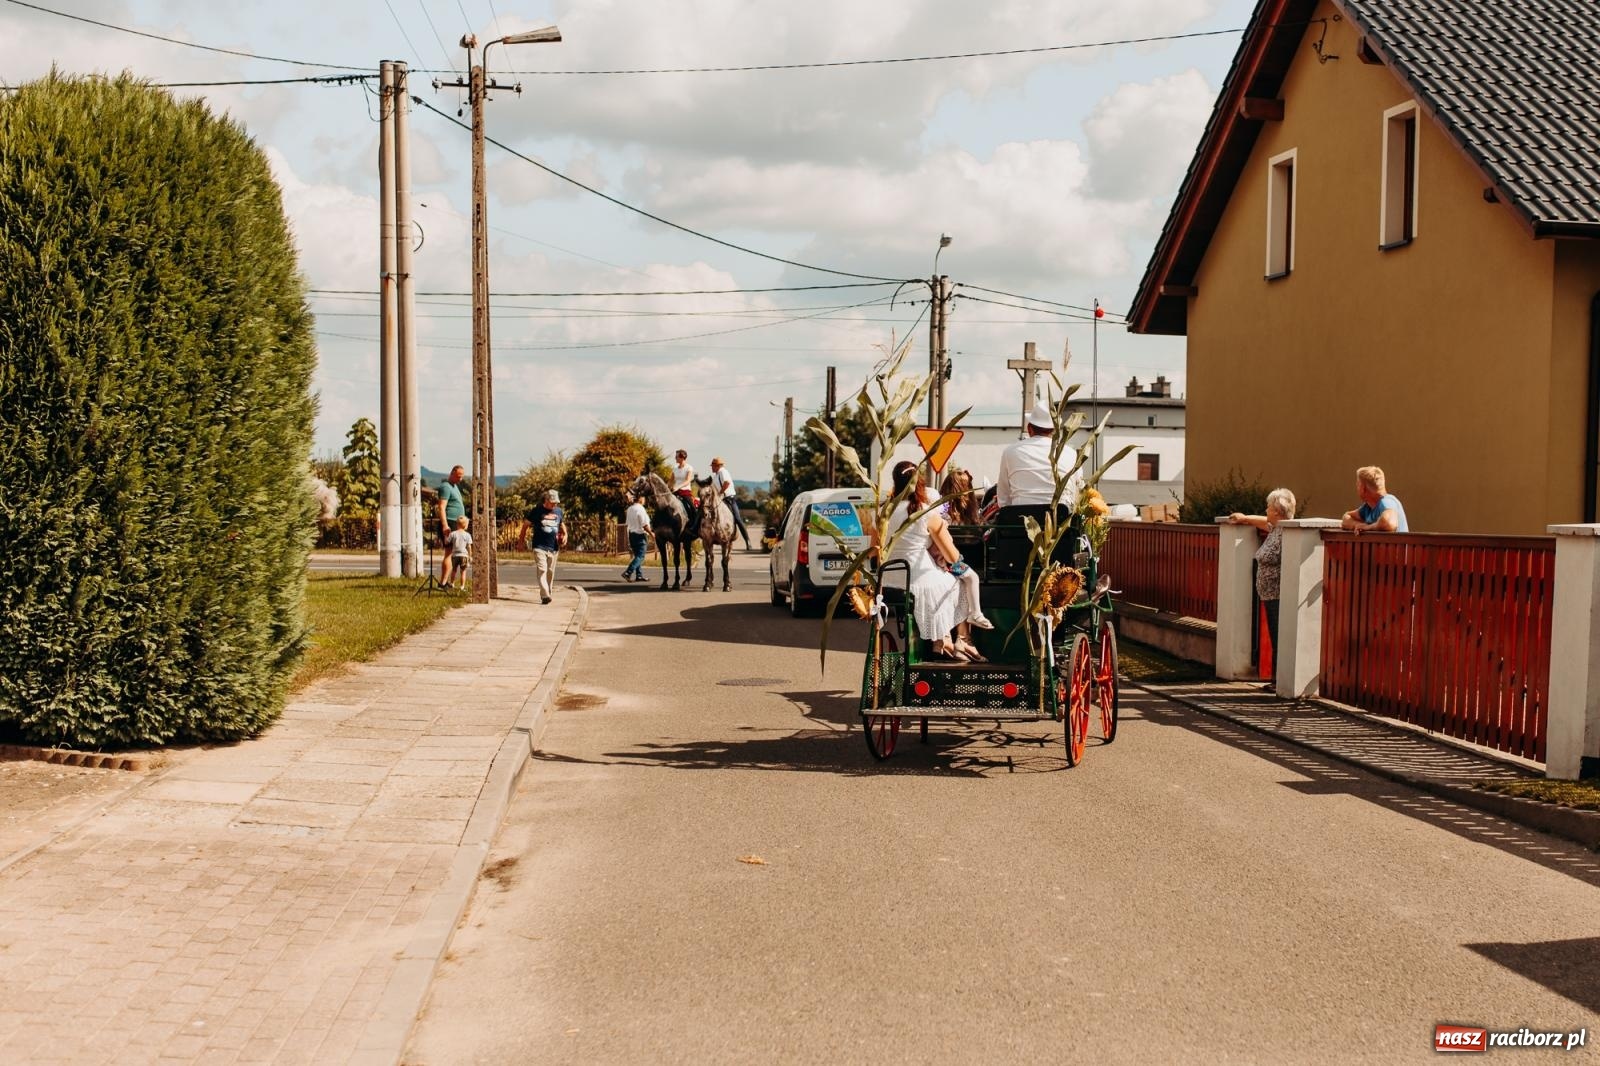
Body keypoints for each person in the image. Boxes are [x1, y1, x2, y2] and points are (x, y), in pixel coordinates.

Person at [877, 460, 992, 661]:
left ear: (896, 483)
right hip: (917, 577)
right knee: (959, 581)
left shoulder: (884, 512)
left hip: (888, 578)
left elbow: (875, 549)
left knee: (949, 580)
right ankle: (959, 640)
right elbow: (951, 556)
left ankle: (945, 640)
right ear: (920, 482)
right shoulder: (926, 512)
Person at [1229, 488, 1297, 691]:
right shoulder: (1276, 527)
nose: (1266, 510)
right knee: (1274, 635)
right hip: (1269, 594)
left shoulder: (1288, 531)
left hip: (1278, 594)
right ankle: (1277, 680)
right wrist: (1244, 518)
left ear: (1277, 511)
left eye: (1268, 507)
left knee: (1279, 637)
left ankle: (1279, 681)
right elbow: (1261, 521)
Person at [996, 401, 1085, 511]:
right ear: (1055, 430)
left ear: (1029, 429)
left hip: (1018, 523)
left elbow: (1003, 499)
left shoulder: (1010, 452)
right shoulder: (1072, 455)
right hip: (1061, 522)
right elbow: (1078, 493)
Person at [1341, 465, 1409, 534]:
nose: (1356, 486)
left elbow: (1389, 523)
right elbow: (1346, 518)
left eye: (1358, 484)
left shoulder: (1387, 502)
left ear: (1363, 488)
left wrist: (1368, 527)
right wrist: (1357, 525)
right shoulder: (1368, 507)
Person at [527, 489, 566, 604]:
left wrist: (565, 536)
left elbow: (562, 525)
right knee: (542, 570)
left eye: (556, 502)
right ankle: (545, 594)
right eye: (553, 502)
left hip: (553, 548)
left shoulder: (559, 511)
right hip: (539, 546)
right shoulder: (537, 511)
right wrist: (520, 540)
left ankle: (547, 594)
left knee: (550, 572)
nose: (555, 504)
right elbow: (525, 525)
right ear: (546, 500)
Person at [709, 457, 751, 550]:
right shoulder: (715, 476)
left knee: (738, 519)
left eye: (713, 466)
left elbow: (727, 483)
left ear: (717, 466)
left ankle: (747, 540)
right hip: (720, 500)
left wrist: (720, 493)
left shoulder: (723, 472)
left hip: (728, 499)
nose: (711, 468)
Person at [436, 464, 467, 586]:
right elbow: (442, 507)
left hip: (456, 523)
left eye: (462, 477)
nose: (460, 479)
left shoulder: (455, 487)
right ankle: (443, 582)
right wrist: (445, 525)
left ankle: (447, 581)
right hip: (450, 522)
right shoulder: (446, 487)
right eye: (458, 476)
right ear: (452, 473)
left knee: (453, 553)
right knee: (448, 553)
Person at [622, 491, 652, 583]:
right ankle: (628, 572)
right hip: (640, 535)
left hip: (632, 535)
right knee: (641, 556)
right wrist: (651, 533)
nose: (645, 500)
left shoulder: (630, 509)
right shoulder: (640, 509)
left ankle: (639, 575)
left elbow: (628, 523)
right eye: (644, 497)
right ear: (640, 499)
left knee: (637, 556)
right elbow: (644, 524)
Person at [671, 449, 700, 537]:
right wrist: (666, 488)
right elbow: (670, 481)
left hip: (685, 492)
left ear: (682, 457)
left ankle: (694, 528)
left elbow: (687, 481)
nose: (675, 458)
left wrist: (678, 487)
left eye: (676, 456)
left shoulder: (689, 468)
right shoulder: (675, 468)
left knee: (692, 508)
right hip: (675, 491)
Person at [444, 516, 473, 591]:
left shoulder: (453, 534)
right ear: (466, 525)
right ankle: (462, 586)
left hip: (454, 555)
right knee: (463, 572)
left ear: (457, 524)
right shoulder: (467, 535)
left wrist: (446, 535)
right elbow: (469, 547)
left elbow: (447, 542)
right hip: (464, 556)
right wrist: (470, 556)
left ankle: (452, 584)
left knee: (454, 570)